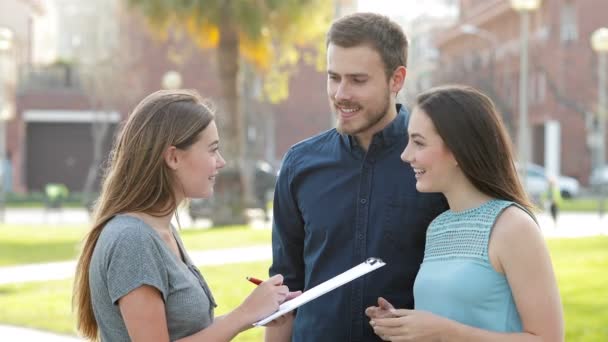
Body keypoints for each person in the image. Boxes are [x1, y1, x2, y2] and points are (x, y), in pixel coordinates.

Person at [266, 13, 448, 342]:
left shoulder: (436, 159)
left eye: (357, 80)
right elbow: (286, 286)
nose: (340, 93)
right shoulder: (299, 165)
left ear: (396, 80)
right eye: (333, 77)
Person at [72, 89, 297, 342]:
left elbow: (185, 333)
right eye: (212, 150)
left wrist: (258, 313)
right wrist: (244, 314)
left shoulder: (161, 232)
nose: (220, 162)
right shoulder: (132, 240)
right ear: (173, 157)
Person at [366, 85, 564, 341]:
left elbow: (549, 338)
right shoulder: (438, 227)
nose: (406, 155)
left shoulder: (513, 227)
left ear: (459, 149)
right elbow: (447, 316)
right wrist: (404, 325)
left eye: (418, 142)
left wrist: (445, 333)